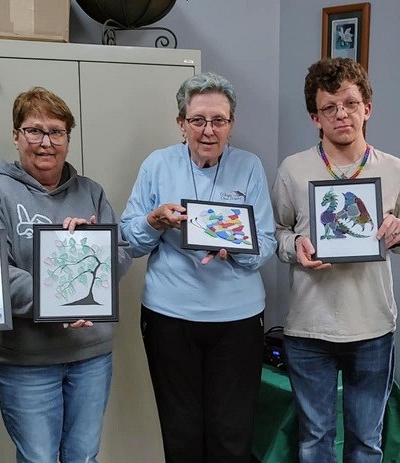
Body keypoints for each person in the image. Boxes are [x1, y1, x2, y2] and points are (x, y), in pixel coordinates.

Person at [119, 72, 276, 463]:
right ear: (181, 124)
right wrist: (154, 221)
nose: (209, 131)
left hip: (238, 319)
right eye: (198, 120)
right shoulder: (157, 165)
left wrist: (236, 248)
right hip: (170, 317)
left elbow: (266, 243)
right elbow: (131, 241)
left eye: (219, 120)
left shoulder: (250, 166)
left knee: (232, 433)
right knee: (181, 431)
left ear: (231, 124)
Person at [0, 87, 132, 463]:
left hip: (90, 355)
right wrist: (61, 294)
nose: (46, 142)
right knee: (39, 458)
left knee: (83, 456)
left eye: (56, 132)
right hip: (26, 359)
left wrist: (94, 247)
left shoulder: (92, 193)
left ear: (68, 140)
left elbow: (121, 254)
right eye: (34, 130)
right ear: (16, 136)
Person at [272, 57, 400, 463]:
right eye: (329, 108)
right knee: (314, 438)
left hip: (372, 326)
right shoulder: (293, 170)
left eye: (351, 104)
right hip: (309, 327)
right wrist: (295, 247)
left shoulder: (396, 170)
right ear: (314, 117)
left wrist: (399, 234)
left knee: (366, 440)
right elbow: (277, 232)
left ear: (367, 108)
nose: (342, 115)